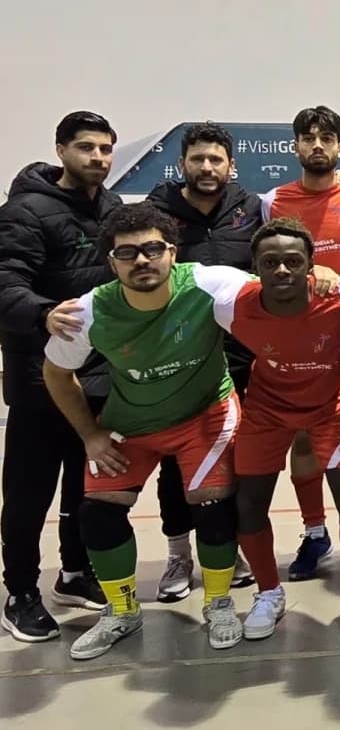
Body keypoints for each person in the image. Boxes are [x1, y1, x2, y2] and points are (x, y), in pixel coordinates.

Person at [41, 203, 249, 659]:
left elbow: (282, 297)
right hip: (130, 423)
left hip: (206, 413)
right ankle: (123, 610)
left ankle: (218, 602)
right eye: (128, 253)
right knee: (97, 513)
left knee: (213, 507)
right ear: (111, 262)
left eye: (153, 249)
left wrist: (331, 276)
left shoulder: (211, 284)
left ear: (172, 253)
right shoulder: (91, 312)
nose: (142, 260)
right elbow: (56, 374)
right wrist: (91, 436)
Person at [224, 218, 340, 655]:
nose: (282, 270)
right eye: (271, 262)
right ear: (255, 267)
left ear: (311, 266)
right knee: (247, 504)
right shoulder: (230, 303)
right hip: (267, 408)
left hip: (329, 407)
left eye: (293, 261)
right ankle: (268, 592)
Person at [0, 111, 118, 642]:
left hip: (97, 380)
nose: (98, 157)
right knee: (28, 494)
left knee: (84, 484)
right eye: (87, 147)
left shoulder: (114, 209)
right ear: (61, 149)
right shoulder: (25, 212)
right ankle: (21, 590)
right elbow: (5, 284)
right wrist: (44, 312)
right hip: (39, 378)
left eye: (106, 148)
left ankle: (75, 574)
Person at [260, 105, 340, 581]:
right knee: (304, 443)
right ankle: (315, 533)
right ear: (294, 145)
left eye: (327, 137)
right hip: (298, 335)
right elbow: (267, 264)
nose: (317, 144)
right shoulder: (272, 201)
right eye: (308, 137)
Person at [145, 121, 265, 602]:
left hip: (237, 357)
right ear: (183, 164)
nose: (207, 167)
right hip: (178, 357)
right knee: (176, 462)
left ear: (231, 165)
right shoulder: (158, 213)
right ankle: (178, 553)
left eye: (216, 159)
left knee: (227, 458)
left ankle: (225, 546)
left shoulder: (249, 209)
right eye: (198, 159)